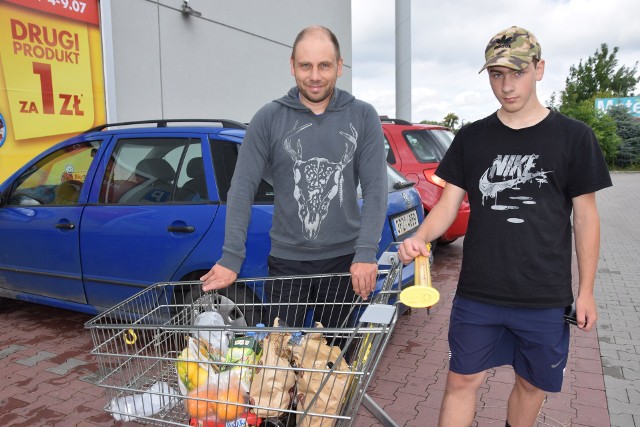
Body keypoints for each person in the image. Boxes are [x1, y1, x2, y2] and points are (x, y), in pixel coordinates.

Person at [398, 26, 612, 427]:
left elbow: (586, 218)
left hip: (544, 294)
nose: (506, 85)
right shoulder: (472, 137)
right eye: (497, 74)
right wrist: (421, 236)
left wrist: (586, 291)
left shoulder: (574, 137)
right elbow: (448, 205)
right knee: (462, 380)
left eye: (517, 72)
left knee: (531, 385)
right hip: (480, 291)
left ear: (540, 69)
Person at [201, 26, 387, 330]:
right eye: (306, 65)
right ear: (292, 66)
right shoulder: (268, 118)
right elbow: (242, 189)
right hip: (286, 265)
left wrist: (366, 252)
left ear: (339, 66)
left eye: (324, 65)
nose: (315, 76)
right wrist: (232, 256)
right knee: (280, 362)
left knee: (335, 363)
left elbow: (376, 190)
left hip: (343, 263)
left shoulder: (363, 117)